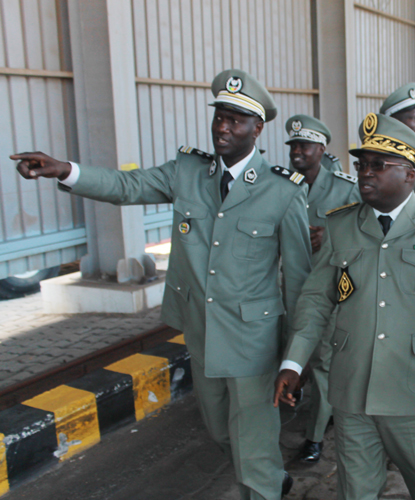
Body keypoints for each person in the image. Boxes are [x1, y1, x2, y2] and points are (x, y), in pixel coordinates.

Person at [12, 69, 310, 500]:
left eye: (235, 120)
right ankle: (270, 475)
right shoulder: (188, 171)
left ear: (257, 128)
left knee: (253, 441)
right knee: (221, 429)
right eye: (219, 117)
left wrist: (295, 361)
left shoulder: (281, 191)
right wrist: (66, 170)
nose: (223, 127)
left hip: (255, 342)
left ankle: (264, 485)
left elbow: (299, 283)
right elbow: (126, 185)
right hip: (203, 332)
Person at [274, 113, 415, 500]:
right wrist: (294, 363)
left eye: (378, 165)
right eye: (361, 164)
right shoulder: (341, 226)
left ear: (409, 173)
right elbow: (317, 300)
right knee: (356, 491)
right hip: (353, 391)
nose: (365, 173)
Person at [284, 113, 359, 462]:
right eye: (294, 145)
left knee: (324, 364)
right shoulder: (281, 185)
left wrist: (329, 235)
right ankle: (307, 409)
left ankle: (315, 438)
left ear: (321, 148)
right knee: (295, 356)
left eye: (305, 145)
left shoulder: (345, 188)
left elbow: (364, 229)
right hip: (288, 289)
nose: (298, 151)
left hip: (330, 290)